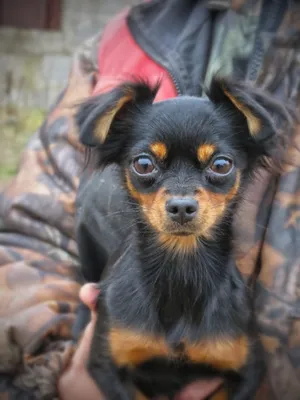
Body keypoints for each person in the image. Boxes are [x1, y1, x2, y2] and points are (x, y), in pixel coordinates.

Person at [0, 0, 299, 399]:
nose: (181, 199)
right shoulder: (117, 43)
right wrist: (61, 374)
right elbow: (24, 235)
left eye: (218, 166)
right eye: (146, 166)